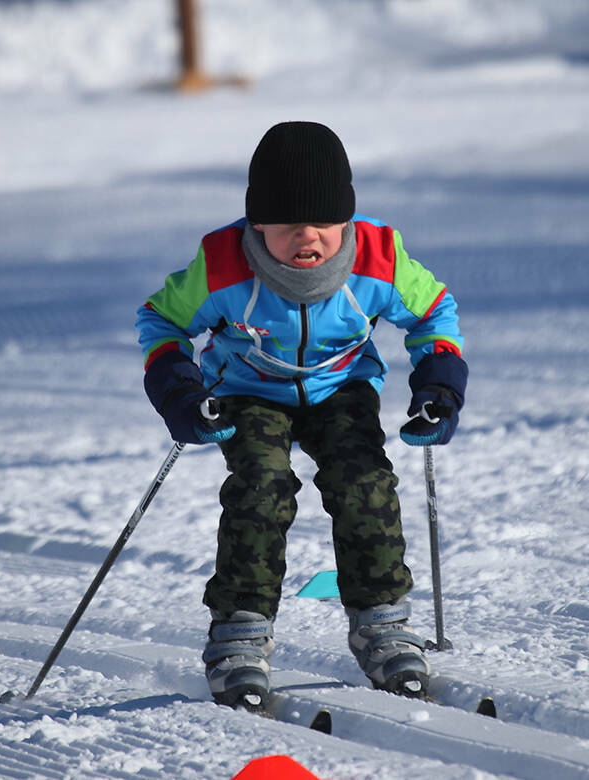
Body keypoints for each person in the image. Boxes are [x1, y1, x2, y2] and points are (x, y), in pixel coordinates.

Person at [135, 121, 467, 708]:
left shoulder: (379, 259)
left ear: (346, 219)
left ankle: (382, 622)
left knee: (364, 481)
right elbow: (161, 322)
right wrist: (180, 393)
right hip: (249, 390)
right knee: (262, 486)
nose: (307, 235)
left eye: (324, 221)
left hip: (340, 387)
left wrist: (438, 385)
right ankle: (239, 631)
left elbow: (434, 313)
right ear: (257, 222)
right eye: (287, 222)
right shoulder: (222, 265)